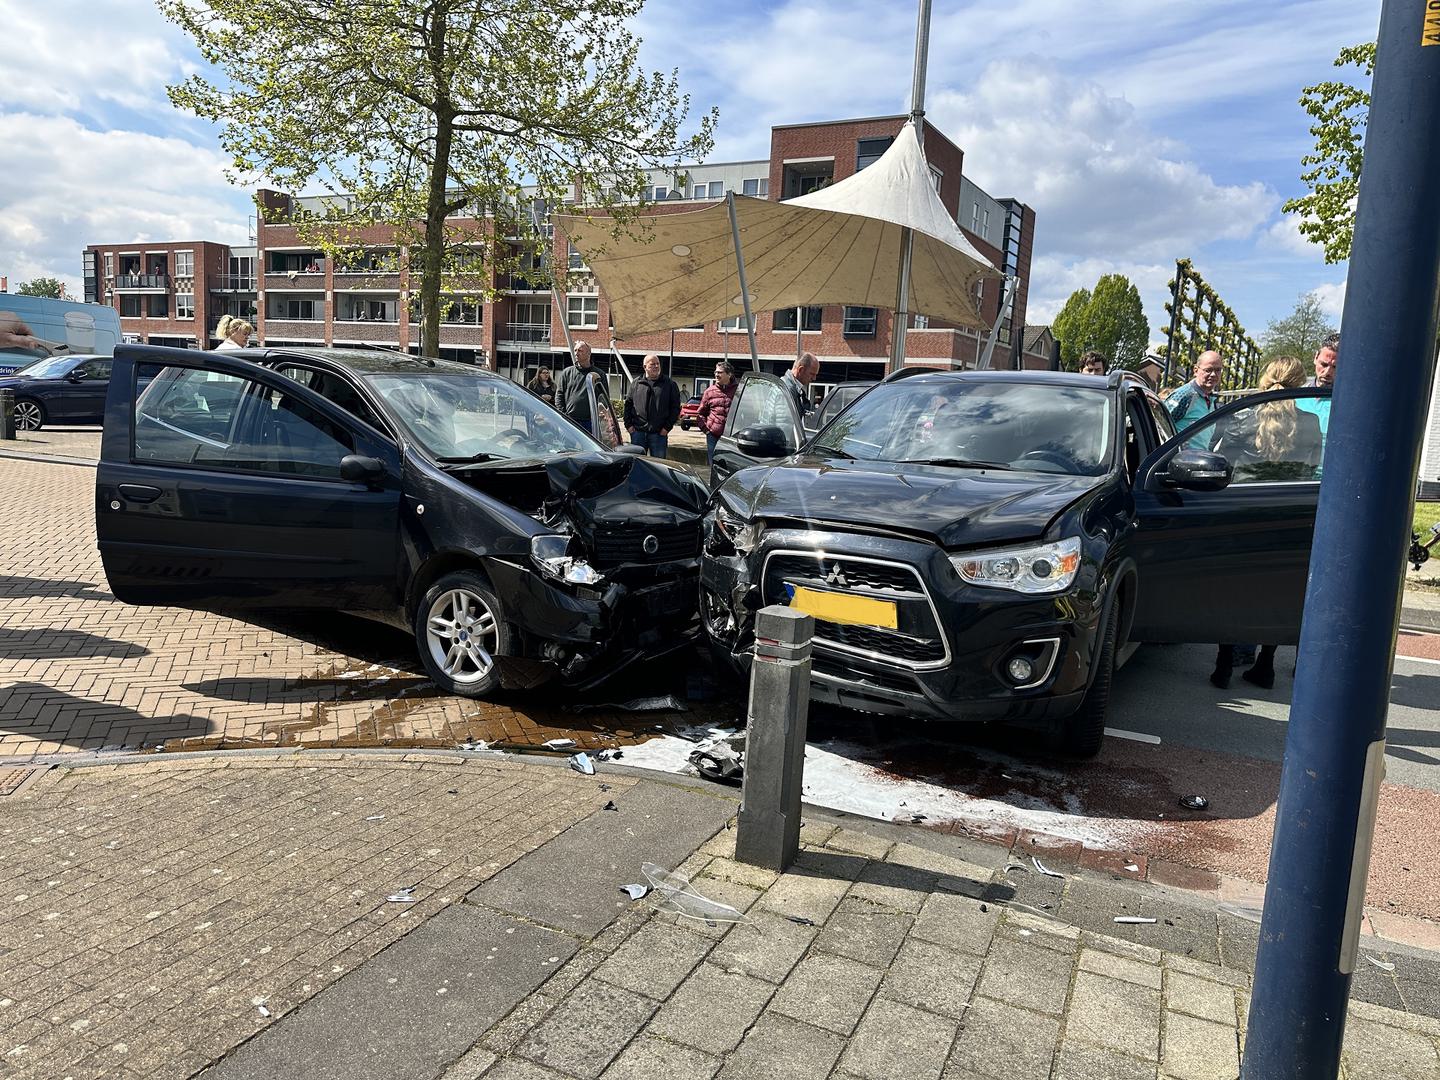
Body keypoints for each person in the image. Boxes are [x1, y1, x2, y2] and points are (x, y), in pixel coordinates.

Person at [1208, 356, 1322, 691]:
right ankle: (1266, 664)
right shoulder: (1311, 422)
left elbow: (1222, 464)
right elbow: (1314, 465)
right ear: (1300, 384)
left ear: (1264, 380)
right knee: (1278, 590)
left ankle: (1223, 663)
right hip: (1291, 514)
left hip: (1244, 513)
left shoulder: (1242, 416)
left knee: (1233, 590)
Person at [624, 353, 681, 458]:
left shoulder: (669, 384)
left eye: (657, 364)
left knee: (659, 467)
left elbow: (675, 408)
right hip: (638, 433)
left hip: (659, 435)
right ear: (645, 367)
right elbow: (628, 405)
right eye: (652, 364)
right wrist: (629, 426)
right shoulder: (636, 384)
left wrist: (666, 428)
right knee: (636, 465)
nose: (656, 366)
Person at [1167, 350, 1224, 447]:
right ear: (1196, 370)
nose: (1213, 374)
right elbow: (1160, 426)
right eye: (1208, 370)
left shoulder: (1210, 400)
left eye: (1218, 370)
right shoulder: (1184, 396)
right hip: (1179, 460)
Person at [1298, 332, 1338, 473]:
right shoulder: (1295, 397)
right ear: (1315, 358)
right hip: (1296, 478)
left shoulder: (1345, 403)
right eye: (1324, 364)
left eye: (1335, 367)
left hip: (1328, 479)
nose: (1327, 372)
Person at [696, 361, 738, 463]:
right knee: (714, 466)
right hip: (713, 436)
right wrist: (706, 430)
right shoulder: (709, 392)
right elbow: (700, 414)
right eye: (715, 372)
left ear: (729, 374)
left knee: (731, 466)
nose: (716, 375)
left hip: (732, 438)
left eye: (720, 372)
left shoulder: (738, 391)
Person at [554, 341, 596, 433]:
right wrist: (564, 415)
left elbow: (603, 401)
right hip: (569, 421)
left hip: (590, 422)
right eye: (575, 350)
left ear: (589, 353)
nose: (576, 353)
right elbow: (559, 395)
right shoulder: (567, 373)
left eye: (580, 350)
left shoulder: (597, 375)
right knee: (567, 447)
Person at [781, 352, 819, 421]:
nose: (814, 378)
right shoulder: (787, 390)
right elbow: (784, 424)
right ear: (801, 370)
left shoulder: (793, 389)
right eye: (812, 374)